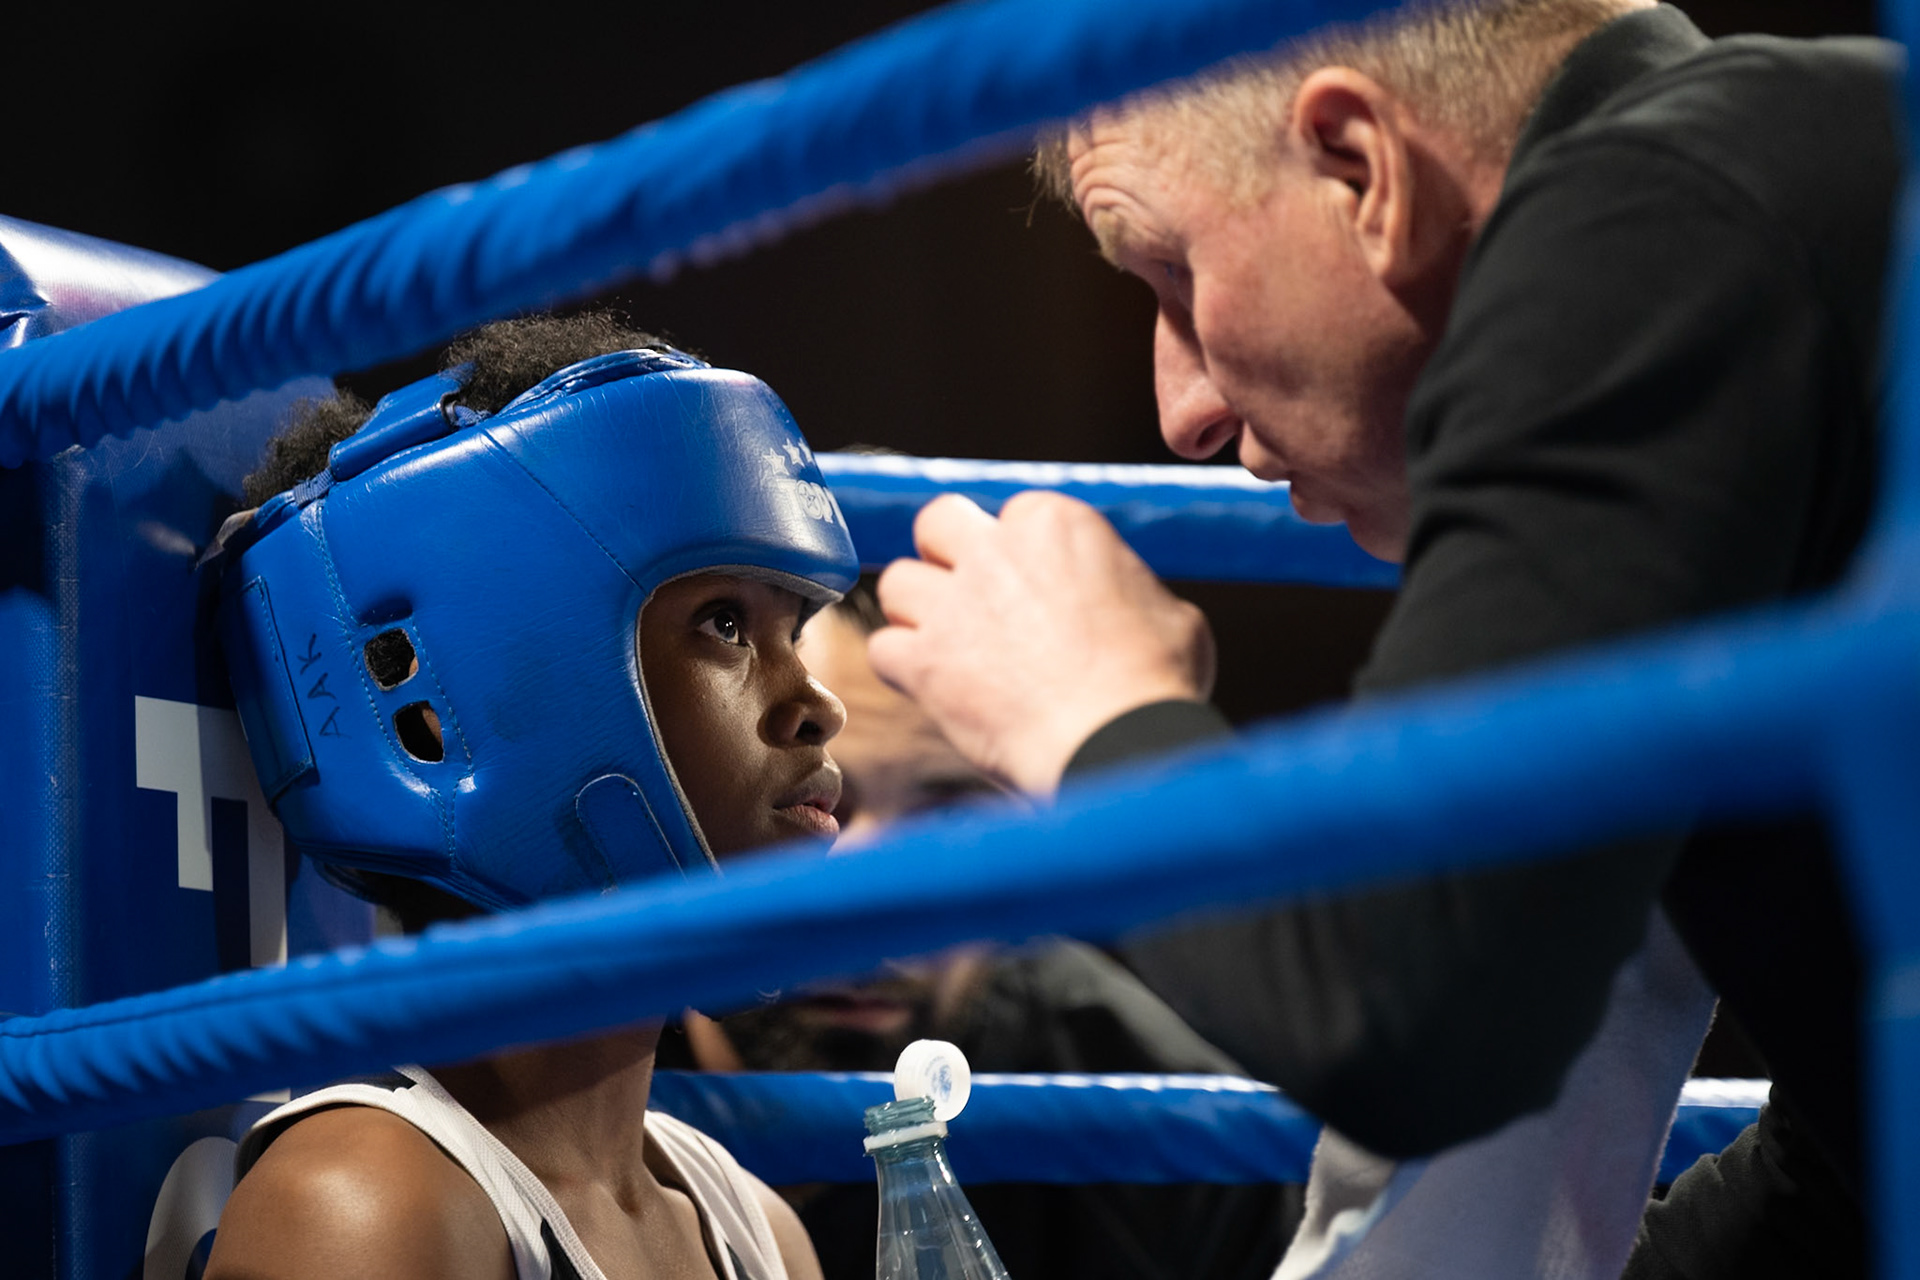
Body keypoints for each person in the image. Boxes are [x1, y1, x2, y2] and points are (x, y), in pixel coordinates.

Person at [866, 2, 1896, 1275]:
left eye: (1175, 274)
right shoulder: (1755, 217)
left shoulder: (1658, 212)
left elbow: (1412, 1015)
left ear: (1362, 169)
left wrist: (1097, 721)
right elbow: (1863, 1139)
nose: (1177, 408)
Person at [204, 314, 843, 1280]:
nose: (817, 705)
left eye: (794, 630)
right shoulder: (359, 1210)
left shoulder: (754, 1226)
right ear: (519, 685)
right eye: (725, 624)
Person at [668, 582, 1298, 1280]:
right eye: (815, 801)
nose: (872, 921)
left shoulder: (1177, 1137)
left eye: (953, 823)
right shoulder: (570, 1067)